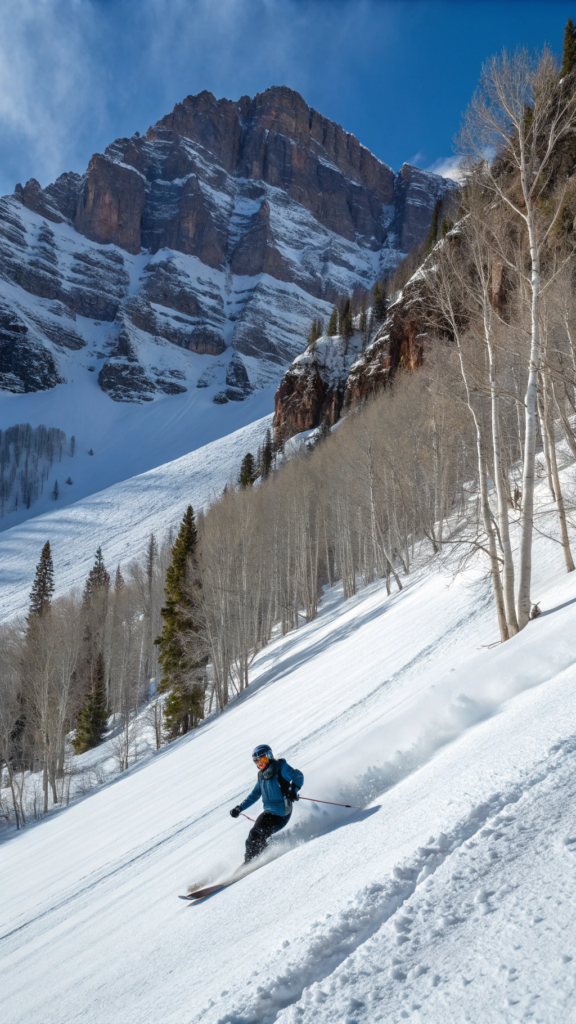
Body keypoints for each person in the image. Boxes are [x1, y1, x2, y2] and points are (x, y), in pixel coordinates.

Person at [230, 744, 304, 862]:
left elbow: (298, 775)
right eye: (258, 762)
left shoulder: (280, 767)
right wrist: (240, 808)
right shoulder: (261, 775)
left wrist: (293, 790)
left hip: (282, 814)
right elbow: (255, 794)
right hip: (269, 812)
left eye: (263, 759)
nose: (261, 764)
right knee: (253, 835)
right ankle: (252, 860)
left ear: (269, 756)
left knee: (257, 833)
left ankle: (253, 860)